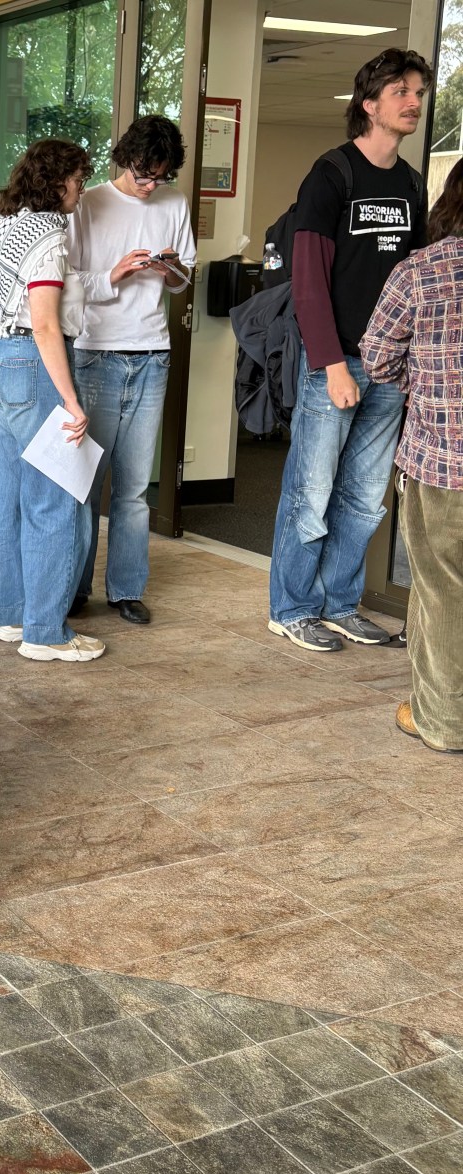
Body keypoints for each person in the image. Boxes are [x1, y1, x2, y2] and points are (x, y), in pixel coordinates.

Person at [268, 48, 432, 652]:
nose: (413, 102)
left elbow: (415, 278)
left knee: (363, 499)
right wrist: (331, 363)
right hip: (335, 364)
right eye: (400, 92)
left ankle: (340, 604)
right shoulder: (332, 174)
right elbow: (309, 281)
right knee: (310, 493)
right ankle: (291, 608)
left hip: (390, 369)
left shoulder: (410, 183)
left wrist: (411, 365)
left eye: (418, 92)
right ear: (369, 104)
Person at [0, 139, 104, 662]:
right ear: (57, 181)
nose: (81, 189)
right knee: (54, 500)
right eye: (78, 179)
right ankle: (46, 633)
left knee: (9, 496)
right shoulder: (48, 235)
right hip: (35, 365)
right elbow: (45, 323)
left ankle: (11, 614)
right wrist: (70, 399)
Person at [67, 116, 195, 624]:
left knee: (135, 487)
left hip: (153, 353)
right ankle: (75, 589)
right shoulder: (90, 203)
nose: (150, 186)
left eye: (160, 177)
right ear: (125, 160)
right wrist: (114, 273)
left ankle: (125, 589)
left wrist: (169, 270)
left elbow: (184, 279)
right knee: (84, 482)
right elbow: (68, 281)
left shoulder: (174, 203)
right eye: (144, 175)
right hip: (96, 351)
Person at [360, 158, 463, 753]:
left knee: (443, 588)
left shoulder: (420, 272)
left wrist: (424, 387)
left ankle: (444, 720)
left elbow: (377, 356)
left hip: (444, 461)